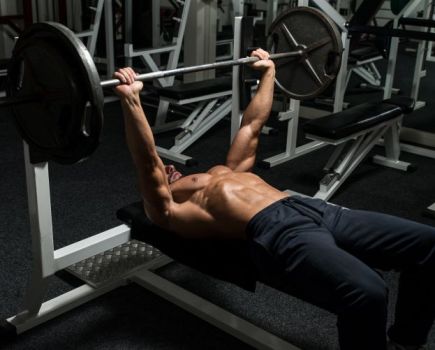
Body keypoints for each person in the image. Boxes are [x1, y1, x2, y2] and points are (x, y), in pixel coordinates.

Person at [113, 49, 435, 350]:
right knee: (367, 293)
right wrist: (132, 102)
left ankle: (407, 340)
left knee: (428, 243)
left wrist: (268, 73)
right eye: (164, 174)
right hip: (279, 231)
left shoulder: (225, 171)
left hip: (310, 207)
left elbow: (252, 127)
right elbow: (148, 160)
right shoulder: (169, 208)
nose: (171, 169)